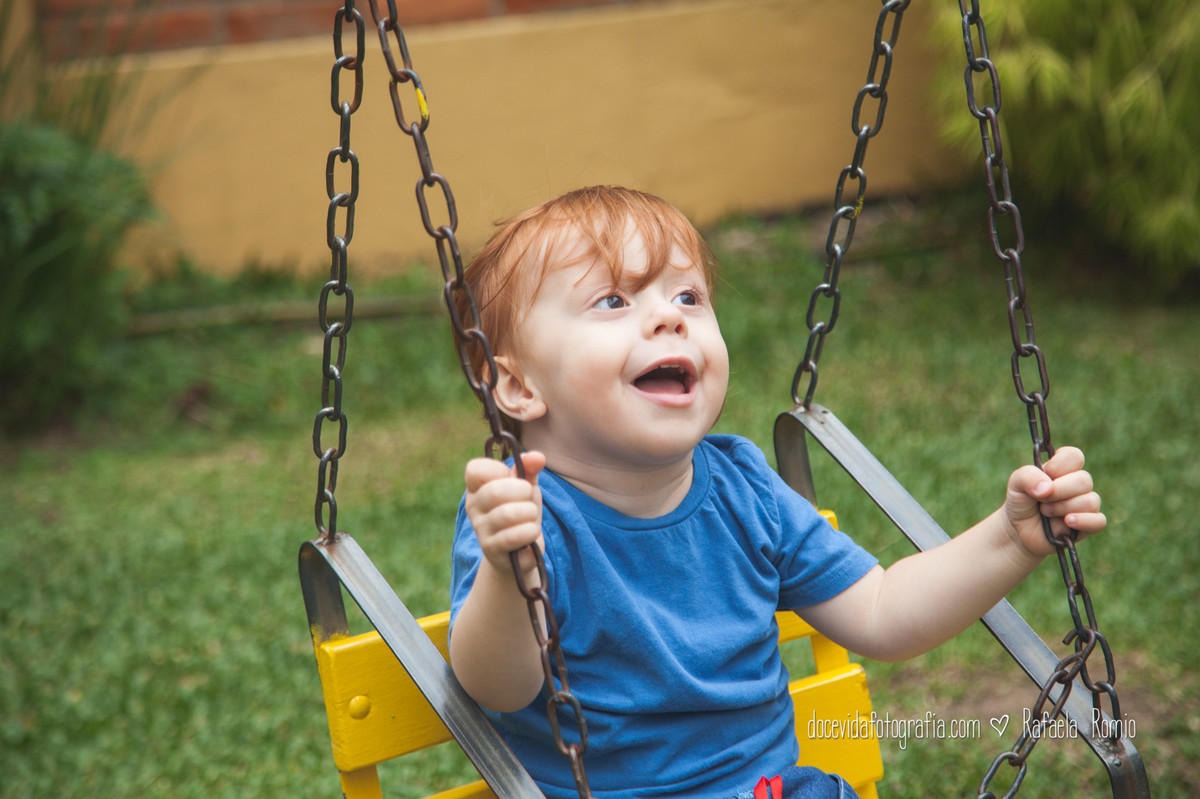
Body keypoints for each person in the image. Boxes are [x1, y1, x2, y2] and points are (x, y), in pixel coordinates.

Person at [447, 186, 1105, 799]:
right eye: (614, 301)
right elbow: (498, 687)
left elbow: (881, 609)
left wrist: (1009, 539)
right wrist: (510, 574)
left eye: (688, 298)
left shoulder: (745, 488)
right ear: (518, 387)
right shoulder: (526, 517)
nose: (667, 320)